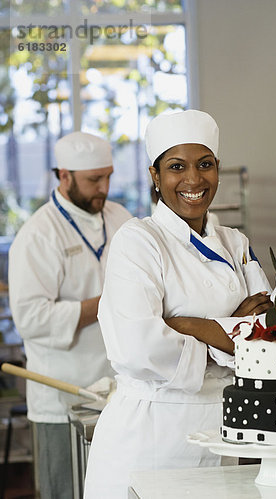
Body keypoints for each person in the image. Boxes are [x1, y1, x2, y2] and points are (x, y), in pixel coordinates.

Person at [83, 110, 272, 498]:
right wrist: (229, 331)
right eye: (176, 167)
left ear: (218, 168)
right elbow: (139, 346)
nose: (193, 179)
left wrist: (186, 325)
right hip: (149, 436)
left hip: (221, 433)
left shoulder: (235, 243)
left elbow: (269, 339)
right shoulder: (138, 241)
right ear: (155, 176)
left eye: (205, 164)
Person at [8, 131, 132, 498]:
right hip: (61, 398)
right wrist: (106, 302)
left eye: (108, 176)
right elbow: (29, 318)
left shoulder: (120, 217)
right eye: (94, 179)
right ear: (64, 176)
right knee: (64, 491)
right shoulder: (37, 236)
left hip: (118, 394)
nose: (104, 187)